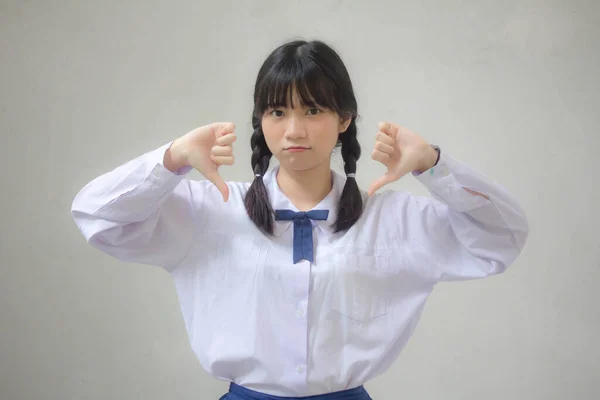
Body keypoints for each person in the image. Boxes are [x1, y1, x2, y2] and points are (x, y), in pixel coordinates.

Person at [71, 39, 529, 400]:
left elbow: (501, 239)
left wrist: (434, 164)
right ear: (260, 120)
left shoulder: (392, 219)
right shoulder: (211, 209)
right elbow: (98, 217)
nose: (294, 130)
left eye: (313, 110)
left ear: (344, 119)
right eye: (277, 111)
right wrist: (171, 160)